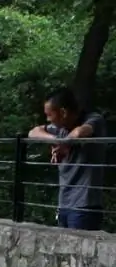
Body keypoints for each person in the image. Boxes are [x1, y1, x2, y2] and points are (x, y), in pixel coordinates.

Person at [28, 86, 108, 231]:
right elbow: (33, 132)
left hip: (84, 206)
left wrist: (65, 144)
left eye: (50, 115)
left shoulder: (93, 119)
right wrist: (58, 140)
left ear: (63, 112)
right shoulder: (60, 128)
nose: (47, 119)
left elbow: (80, 132)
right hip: (64, 204)